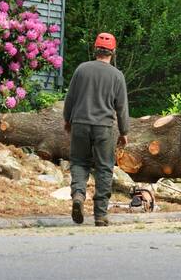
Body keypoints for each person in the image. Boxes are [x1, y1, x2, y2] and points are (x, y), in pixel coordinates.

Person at [63, 33, 129, 226]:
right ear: (113, 52)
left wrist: (68, 120)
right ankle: (100, 215)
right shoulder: (117, 76)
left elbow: (70, 99)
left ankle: (78, 196)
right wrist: (124, 132)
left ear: (95, 50)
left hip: (80, 124)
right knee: (104, 168)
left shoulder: (81, 70)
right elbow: (122, 107)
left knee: (79, 162)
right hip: (104, 127)